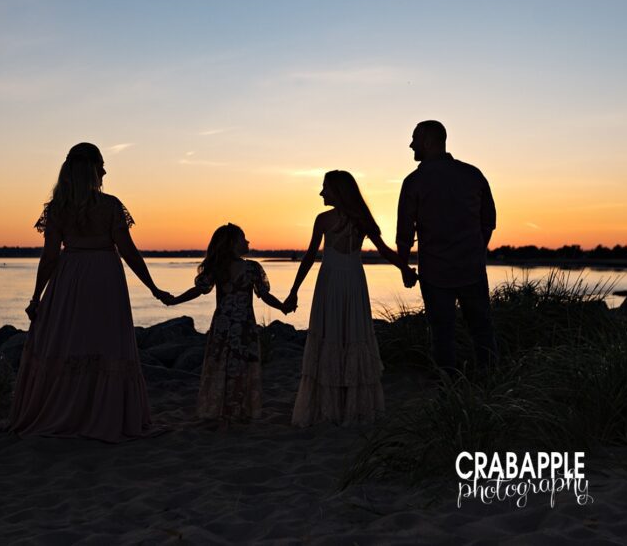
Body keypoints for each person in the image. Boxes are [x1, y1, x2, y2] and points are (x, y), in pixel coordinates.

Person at [6, 142, 171, 441]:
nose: (106, 171)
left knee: (70, 342)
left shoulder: (57, 209)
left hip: (69, 279)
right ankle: (100, 414)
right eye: (102, 165)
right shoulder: (109, 206)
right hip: (105, 278)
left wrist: (36, 297)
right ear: (93, 169)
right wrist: (153, 287)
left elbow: (50, 258)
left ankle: (69, 410)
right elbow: (129, 252)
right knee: (104, 341)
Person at [284, 171, 416, 427]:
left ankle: (335, 406)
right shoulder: (353, 219)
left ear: (337, 191)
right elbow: (385, 251)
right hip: (350, 281)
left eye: (325, 188)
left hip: (333, 282)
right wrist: (404, 269)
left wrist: (406, 269)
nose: (321, 193)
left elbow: (311, 257)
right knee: (346, 334)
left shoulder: (325, 220)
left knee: (335, 334)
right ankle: (345, 405)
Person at [396, 120, 498, 376]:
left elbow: (404, 234)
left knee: (442, 334)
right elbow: (489, 222)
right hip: (471, 269)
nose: (410, 145)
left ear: (429, 142)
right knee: (482, 329)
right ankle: (489, 380)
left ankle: (448, 387)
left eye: (414, 139)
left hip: (435, 273)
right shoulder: (473, 174)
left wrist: (404, 268)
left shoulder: (414, 181)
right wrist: (476, 249)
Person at [164, 224, 289, 427]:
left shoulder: (248, 268)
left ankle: (230, 408)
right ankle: (232, 408)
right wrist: (175, 300)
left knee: (227, 364)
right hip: (236, 325)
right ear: (232, 244)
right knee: (233, 364)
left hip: (231, 325)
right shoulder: (237, 268)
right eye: (243, 238)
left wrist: (282, 306)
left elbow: (264, 295)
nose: (248, 242)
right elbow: (199, 290)